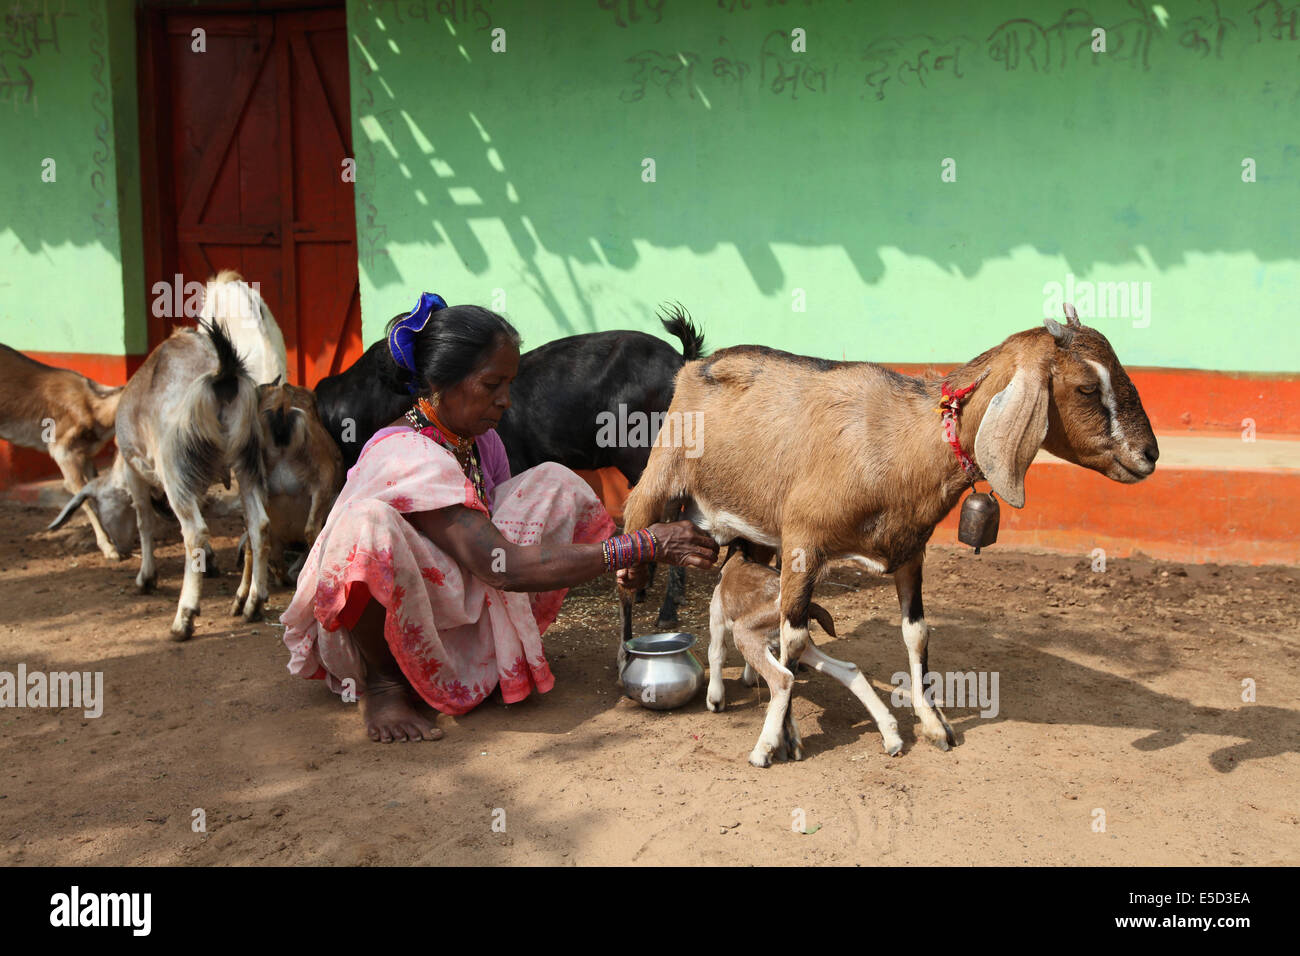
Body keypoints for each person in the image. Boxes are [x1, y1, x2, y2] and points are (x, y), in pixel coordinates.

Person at [280, 293, 718, 742]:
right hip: (383, 621)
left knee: (552, 481)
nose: (506, 401)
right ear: (440, 382)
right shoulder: (405, 453)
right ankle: (386, 683)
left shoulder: (478, 440)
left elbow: (499, 531)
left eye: (509, 384)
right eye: (492, 386)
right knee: (366, 525)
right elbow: (502, 566)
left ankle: (477, 661)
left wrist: (618, 557)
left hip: (446, 591)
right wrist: (640, 544)